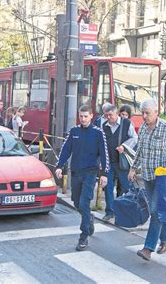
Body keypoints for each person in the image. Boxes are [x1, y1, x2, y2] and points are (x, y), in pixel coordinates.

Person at [129, 98, 166, 261]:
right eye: (142, 113)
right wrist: (133, 168)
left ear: (157, 112)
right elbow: (139, 150)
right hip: (147, 176)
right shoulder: (143, 130)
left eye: (147, 113)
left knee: (155, 211)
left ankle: (148, 248)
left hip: (163, 179)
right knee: (158, 211)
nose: (144, 116)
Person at [55, 105, 109, 251]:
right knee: (77, 203)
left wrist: (104, 174)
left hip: (90, 174)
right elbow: (66, 149)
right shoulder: (74, 132)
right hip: (75, 173)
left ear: (91, 116)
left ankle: (83, 236)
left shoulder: (98, 133)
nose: (83, 119)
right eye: (81, 116)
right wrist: (59, 166)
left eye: (86, 116)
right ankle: (89, 218)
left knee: (84, 203)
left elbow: (104, 155)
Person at [101, 104, 138, 221]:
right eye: (106, 115)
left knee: (127, 187)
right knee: (108, 187)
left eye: (110, 115)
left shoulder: (126, 123)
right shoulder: (104, 126)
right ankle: (110, 211)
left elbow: (134, 138)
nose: (108, 117)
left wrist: (124, 146)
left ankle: (132, 210)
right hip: (109, 162)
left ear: (116, 113)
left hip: (122, 162)